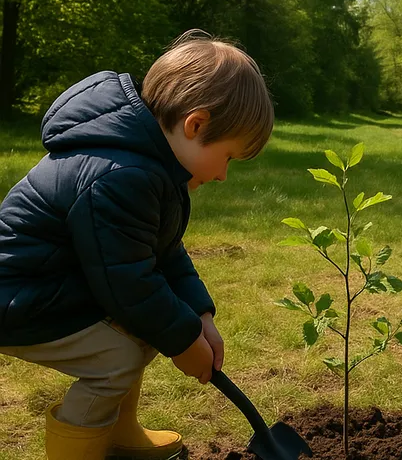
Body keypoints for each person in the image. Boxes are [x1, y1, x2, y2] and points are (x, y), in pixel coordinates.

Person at [0, 30, 274, 460]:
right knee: (116, 359)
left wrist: (198, 313)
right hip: (16, 297)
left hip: (52, 285)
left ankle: (119, 435)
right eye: (228, 157)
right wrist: (183, 343)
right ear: (196, 124)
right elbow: (129, 284)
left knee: (141, 332)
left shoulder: (149, 164)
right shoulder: (120, 175)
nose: (223, 175)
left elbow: (160, 251)